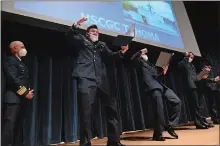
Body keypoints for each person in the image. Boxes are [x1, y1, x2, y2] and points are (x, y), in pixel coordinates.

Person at [65, 17, 128, 146]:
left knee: (112, 109)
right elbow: (69, 36)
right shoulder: (81, 41)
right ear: (87, 33)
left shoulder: (101, 45)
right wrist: (76, 25)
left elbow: (110, 57)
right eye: (93, 31)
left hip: (102, 80)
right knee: (86, 112)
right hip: (86, 79)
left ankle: (114, 141)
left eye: (97, 32)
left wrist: (121, 52)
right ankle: (85, 143)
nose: (95, 33)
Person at [131, 48, 181, 141]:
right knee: (159, 110)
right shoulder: (139, 62)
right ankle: (158, 135)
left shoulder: (151, 65)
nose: (145, 55)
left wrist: (163, 72)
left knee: (177, 101)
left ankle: (170, 125)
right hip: (152, 87)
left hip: (161, 86)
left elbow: (158, 77)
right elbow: (133, 59)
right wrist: (140, 52)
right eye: (143, 54)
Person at [2, 41, 34, 146]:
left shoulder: (20, 62)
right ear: (15, 48)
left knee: (18, 126)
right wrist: (25, 93)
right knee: (9, 127)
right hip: (13, 99)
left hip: (21, 100)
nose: (24, 49)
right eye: (22, 47)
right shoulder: (10, 61)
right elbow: (13, 80)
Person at [178, 52, 213, 129]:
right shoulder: (183, 64)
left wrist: (203, 74)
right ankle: (198, 123)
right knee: (194, 105)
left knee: (197, 105)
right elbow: (180, 66)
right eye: (190, 55)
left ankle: (200, 121)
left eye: (192, 56)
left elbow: (195, 77)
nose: (191, 57)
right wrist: (186, 57)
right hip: (189, 86)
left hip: (195, 85)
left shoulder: (192, 65)